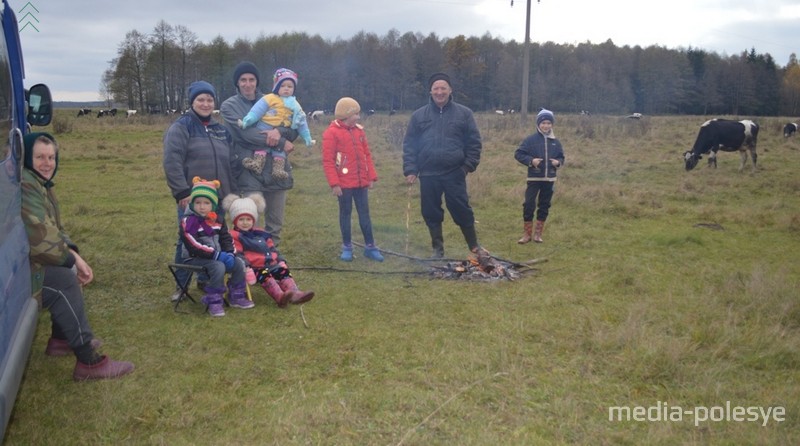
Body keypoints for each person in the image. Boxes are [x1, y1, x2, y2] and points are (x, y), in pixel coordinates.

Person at [21, 132, 134, 381]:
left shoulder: (39, 184)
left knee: (67, 270)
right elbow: (41, 239)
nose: (47, 163)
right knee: (63, 280)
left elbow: (54, 229)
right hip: (21, 268)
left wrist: (71, 250)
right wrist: (73, 260)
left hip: (26, 260)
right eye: (39, 156)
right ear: (27, 157)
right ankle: (88, 361)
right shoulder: (27, 185)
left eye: (51, 157)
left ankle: (61, 340)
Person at [163, 80, 236, 302]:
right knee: (187, 240)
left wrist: (233, 193)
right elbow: (172, 160)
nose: (205, 104)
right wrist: (182, 192)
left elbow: (231, 163)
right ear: (192, 102)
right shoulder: (182, 126)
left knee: (213, 238)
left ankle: (207, 281)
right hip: (193, 199)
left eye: (209, 99)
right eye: (200, 99)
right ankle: (182, 285)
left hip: (219, 198)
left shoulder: (220, 130)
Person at [402, 72, 483, 258]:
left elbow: (474, 143)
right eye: (436, 88)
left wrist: (466, 167)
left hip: (454, 172)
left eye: (443, 88)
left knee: (461, 209)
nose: (440, 92)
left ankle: (474, 246)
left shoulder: (464, 114)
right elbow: (409, 145)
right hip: (428, 173)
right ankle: (438, 249)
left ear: (450, 90)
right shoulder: (418, 116)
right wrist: (411, 169)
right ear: (430, 91)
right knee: (430, 212)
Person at [221, 61, 293, 247]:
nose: (247, 84)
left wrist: (280, 132)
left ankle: (273, 259)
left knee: (275, 221)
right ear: (237, 83)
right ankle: (251, 261)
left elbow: (293, 126)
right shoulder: (229, 106)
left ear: (257, 82)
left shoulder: (275, 99)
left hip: (277, 168)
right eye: (243, 80)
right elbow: (246, 134)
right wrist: (282, 141)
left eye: (251, 79)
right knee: (250, 220)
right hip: (250, 169)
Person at [222, 194, 315, 307]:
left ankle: (295, 293)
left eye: (248, 219)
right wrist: (247, 267)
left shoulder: (262, 233)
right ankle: (280, 296)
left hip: (271, 264)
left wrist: (280, 260)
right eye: (241, 219)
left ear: (253, 220)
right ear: (234, 221)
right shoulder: (235, 235)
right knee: (265, 275)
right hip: (255, 267)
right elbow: (238, 254)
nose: (245, 222)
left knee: (282, 272)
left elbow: (272, 248)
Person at [321, 97, 384, 262]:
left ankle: (370, 246)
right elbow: (328, 161)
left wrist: (371, 177)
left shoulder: (359, 131)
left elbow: (366, 155)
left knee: (365, 214)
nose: (358, 117)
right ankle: (347, 246)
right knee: (345, 214)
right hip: (343, 184)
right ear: (346, 115)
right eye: (355, 114)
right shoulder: (331, 133)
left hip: (361, 182)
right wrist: (334, 184)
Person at [179, 177, 252, 317]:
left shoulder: (218, 220)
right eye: (198, 202)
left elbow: (226, 238)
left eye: (206, 203)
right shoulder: (187, 222)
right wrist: (216, 255)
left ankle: (236, 296)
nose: (202, 206)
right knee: (218, 266)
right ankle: (214, 301)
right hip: (194, 258)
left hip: (217, 256)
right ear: (192, 203)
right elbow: (193, 245)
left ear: (212, 205)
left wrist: (230, 253)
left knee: (238, 263)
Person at [239, 68, 314, 180]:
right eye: (283, 86)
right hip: (265, 125)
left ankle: (278, 170)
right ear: (277, 86)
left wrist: (307, 137)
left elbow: (301, 121)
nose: (286, 89)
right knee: (261, 148)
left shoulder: (295, 105)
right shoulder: (269, 98)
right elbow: (257, 111)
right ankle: (257, 164)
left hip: (283, 130)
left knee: (279, 152)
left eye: (290, 87)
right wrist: (247, 120)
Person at [514, 109, 565, 243]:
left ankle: (537, 234)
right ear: (538, 124)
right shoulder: (530, 140)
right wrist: (531, 161)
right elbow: (519, 154)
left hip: (550, 179)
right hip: (534, 178)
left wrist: (558, 162)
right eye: (543, 123)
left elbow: (561, 157)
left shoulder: (556, 142)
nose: (546, 126)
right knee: (529, 204)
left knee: (544, 205)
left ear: (552, 125)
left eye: (549, 123)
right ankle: (527, 235)